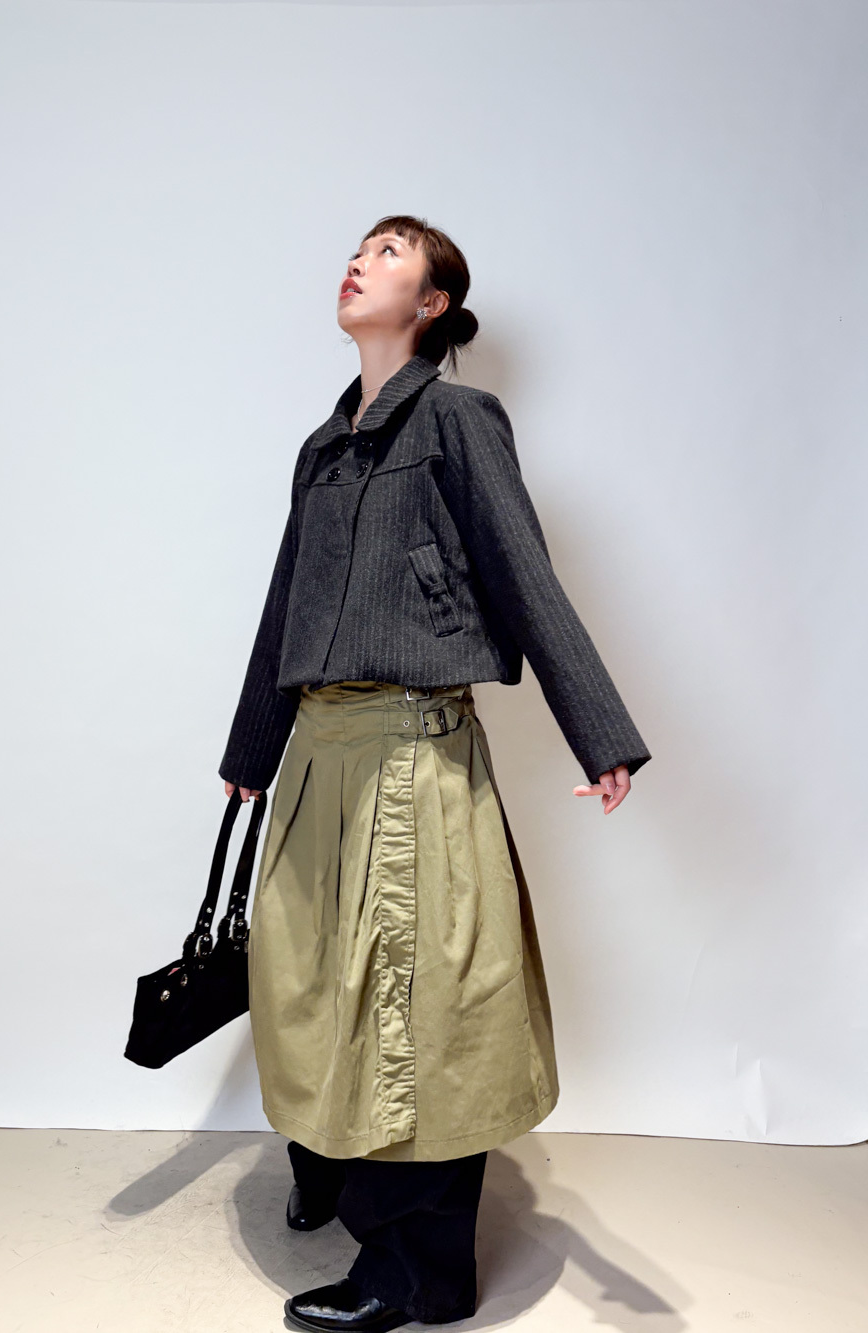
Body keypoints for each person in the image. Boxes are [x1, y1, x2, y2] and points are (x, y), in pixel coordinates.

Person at [218, 214, 652, 1331]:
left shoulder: (458, 419)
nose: (358, 261)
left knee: (411, 1008)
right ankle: (329, 1164)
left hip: (412, 755)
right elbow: (284, 606)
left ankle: (417, 1272)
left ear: (431, 304)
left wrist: (599, 732)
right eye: (359, 247)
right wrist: (250, 752)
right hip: (317, 756)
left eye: (390, 252)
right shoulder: (323, 447)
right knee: (306, 978)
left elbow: (522, 572)